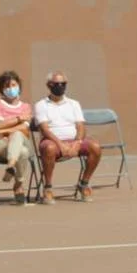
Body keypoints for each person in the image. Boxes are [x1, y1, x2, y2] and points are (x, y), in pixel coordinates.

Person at [33, 71, 102, 204]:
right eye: (56, 84)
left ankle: (84, 184)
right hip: (52, 141)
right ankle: (48, 188)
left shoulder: (73, 104)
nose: (60, 86)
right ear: (49, 85)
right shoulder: (41, 105)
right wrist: (61, 145)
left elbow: (81, 126)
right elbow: (45, 129)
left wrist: (77, 143)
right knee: (49, 148)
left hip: (74, 140)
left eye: (63, 83)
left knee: (95, 147)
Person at [0, 70, 33, 205]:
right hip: (0, 145)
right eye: (6, 86)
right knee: (23, 152)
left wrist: (2, 131)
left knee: (17, 134)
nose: (10, 88)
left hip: (19, 140)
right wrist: (19, 118)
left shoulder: (26, 107)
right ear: (1, 89)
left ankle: (11, 166)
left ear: (19, 86)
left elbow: (24, 129)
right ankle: (19, 184)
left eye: (13, 85)